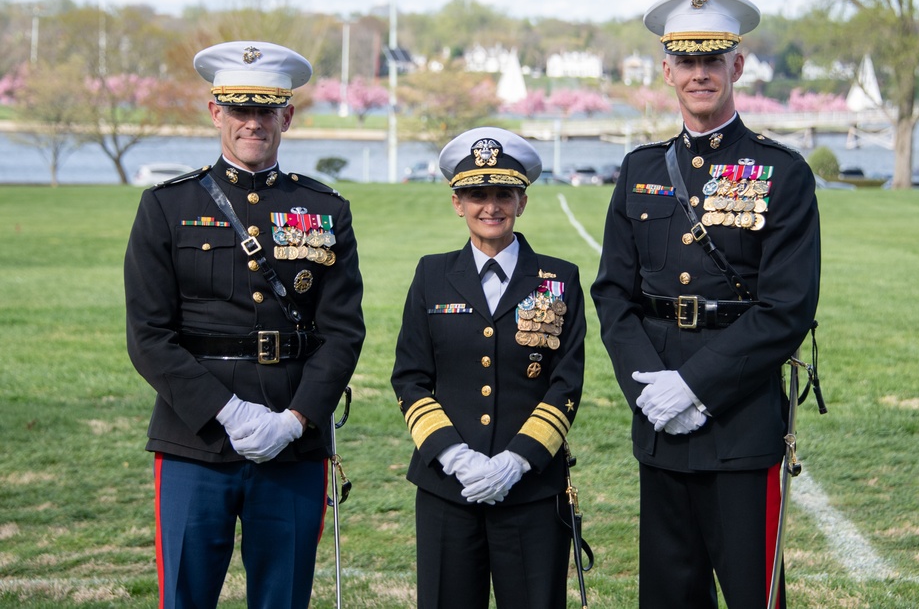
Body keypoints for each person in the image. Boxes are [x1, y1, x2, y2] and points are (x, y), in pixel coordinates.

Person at [591, 0, 821, 609]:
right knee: (669, 593)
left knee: (753, 593)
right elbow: (614, 293)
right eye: (685, 62)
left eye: (712, 60)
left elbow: (787, 308)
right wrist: (651, 389)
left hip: (740, 419)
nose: (699, 74)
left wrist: (695, 387)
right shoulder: (639, 169)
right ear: (666, 71)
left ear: (736, 67)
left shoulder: (782, 173)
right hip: (660, 419)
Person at [124, 40, 365, 608]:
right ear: (216, 112)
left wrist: (298, 419)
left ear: (287, 115)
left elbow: (343, 331)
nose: (252, 122)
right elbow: (149, 335)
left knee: (282, 598)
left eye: (265, 110)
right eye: (239, 109)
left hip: (292, 438)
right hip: (196, 437)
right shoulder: (166, 206)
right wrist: (227, 412)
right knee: (185, 594)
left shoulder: (325, 208)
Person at [391, 127, 586, 609]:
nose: (490, 206)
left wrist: (515, 462)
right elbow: (410, 378)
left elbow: (566, 382)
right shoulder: (431, 275)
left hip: (532, 490)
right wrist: (458, 458)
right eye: (477, 194)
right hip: (446, 488)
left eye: (504, 194)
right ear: (457, 202)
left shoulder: (559, 279)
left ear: (523, 201)